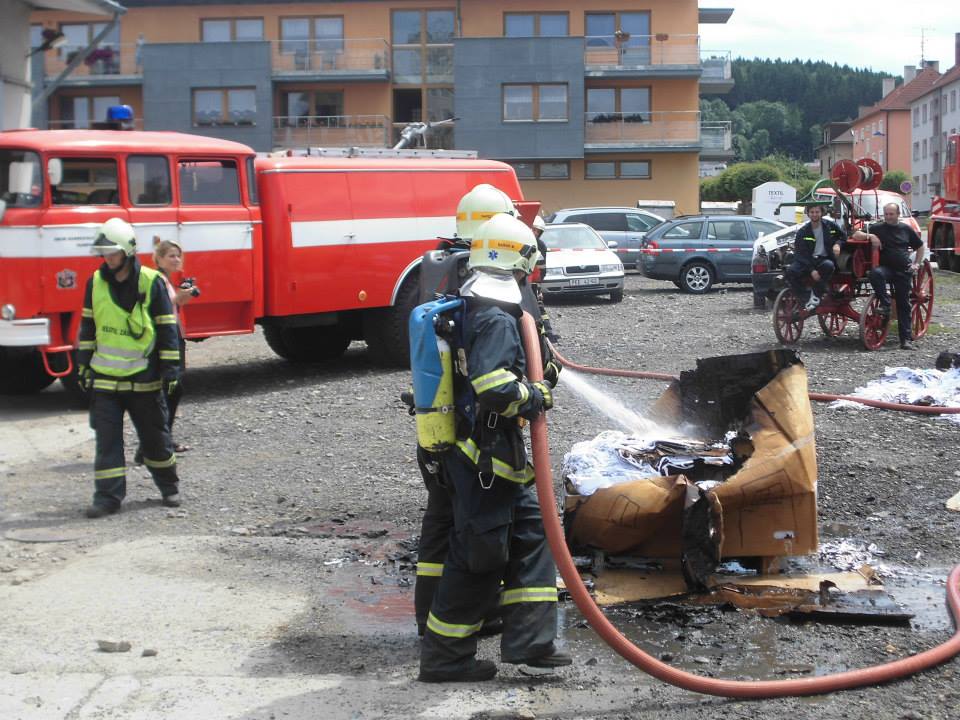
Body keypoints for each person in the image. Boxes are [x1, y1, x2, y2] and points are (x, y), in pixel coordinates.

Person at [418, 212, 570, 683]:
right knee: (479, 557)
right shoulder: (495, 318)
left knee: (534, 537)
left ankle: (532, 643)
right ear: (516, 261)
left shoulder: (475, 302)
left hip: (498, 457)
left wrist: (544, 368)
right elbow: (494, 388)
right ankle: (445, 658)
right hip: (484, 459)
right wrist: (536, 395)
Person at [76, 218, 183, 518]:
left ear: (127, 251)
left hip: (143, 380)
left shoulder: (151, 281)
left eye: (112, 252)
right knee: (107, 444)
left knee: (155, 440)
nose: (108, 258)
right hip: (106, 382)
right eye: (104, 253)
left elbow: (167, 328)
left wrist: (171, 369)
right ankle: (107, 498)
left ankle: (169, 486)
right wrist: (83, 365)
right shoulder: (95, 283)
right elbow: (88, 326)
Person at [852, 202, 926, 350]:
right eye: (886, 214)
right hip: (886, 269)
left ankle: (905, 340)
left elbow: (920, 247)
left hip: (903, 270)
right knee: (875, 273)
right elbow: (855, 234)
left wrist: (916, 264)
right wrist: (870, 235)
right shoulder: (877, 228)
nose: (888, 217)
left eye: (891, 214)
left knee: (903, 304)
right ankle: (886, 304)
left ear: (898, 214)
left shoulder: (906, 229)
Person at [151, 238, 196, 453]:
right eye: (171, 256)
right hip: (164, 340)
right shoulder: (157, 280)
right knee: (171, 390)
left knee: (171, 391)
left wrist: (182, 298)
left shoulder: (166, 280)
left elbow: (172, 306)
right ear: (159, 259)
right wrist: (177, 298)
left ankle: (161, 439)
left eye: (178, 256)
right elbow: (157, 309)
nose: (176, 259)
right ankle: (157, 441)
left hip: (173, 336)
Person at [785, 204, 846, 312]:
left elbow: (843, 236)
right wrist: (812, 270)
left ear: (821, 213)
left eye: (817, 212)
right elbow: (800, 253)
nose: (814, 214)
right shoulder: (803, 231)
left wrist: (838, 244)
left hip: (823, 258)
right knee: (790, 271)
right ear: (808, 214)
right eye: (812, 212)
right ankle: (806, 297)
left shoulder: (830, 226)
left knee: (829, 266)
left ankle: (817, 293)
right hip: (807, 260)